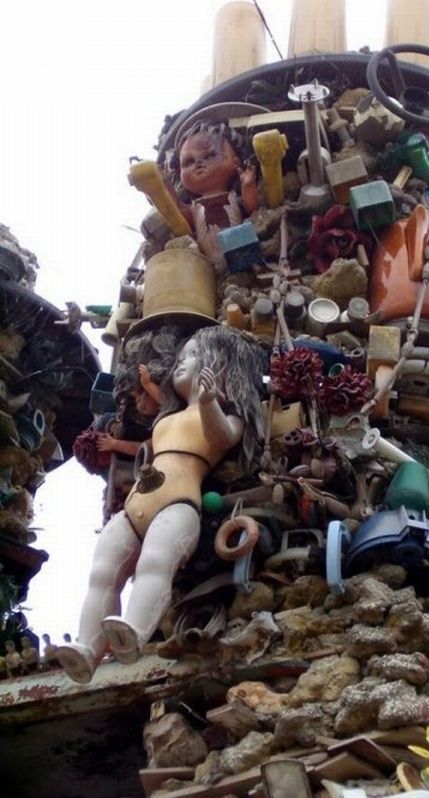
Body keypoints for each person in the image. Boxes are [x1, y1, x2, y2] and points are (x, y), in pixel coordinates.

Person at [57, 326, 266, 683]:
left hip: (178, 503)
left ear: (223, 365)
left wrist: (209, 403)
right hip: (135, 506)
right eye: (181, 357)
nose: (181, 363)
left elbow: (224, 437)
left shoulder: (222, 414)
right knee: (102, 573)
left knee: (155, 563)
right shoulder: (167, 416)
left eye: (193, 356)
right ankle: (87, 649)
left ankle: (135, 631)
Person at [176, 122, 259, 269]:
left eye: (210, 155)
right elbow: (181, 215)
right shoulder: (196, 207)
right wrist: (164, 187)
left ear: (236, 161)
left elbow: (252, 208)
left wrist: (247, 186)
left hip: (240, 258)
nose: (199, 163)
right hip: (206, 266)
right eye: (189, 162)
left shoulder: (233, 197)